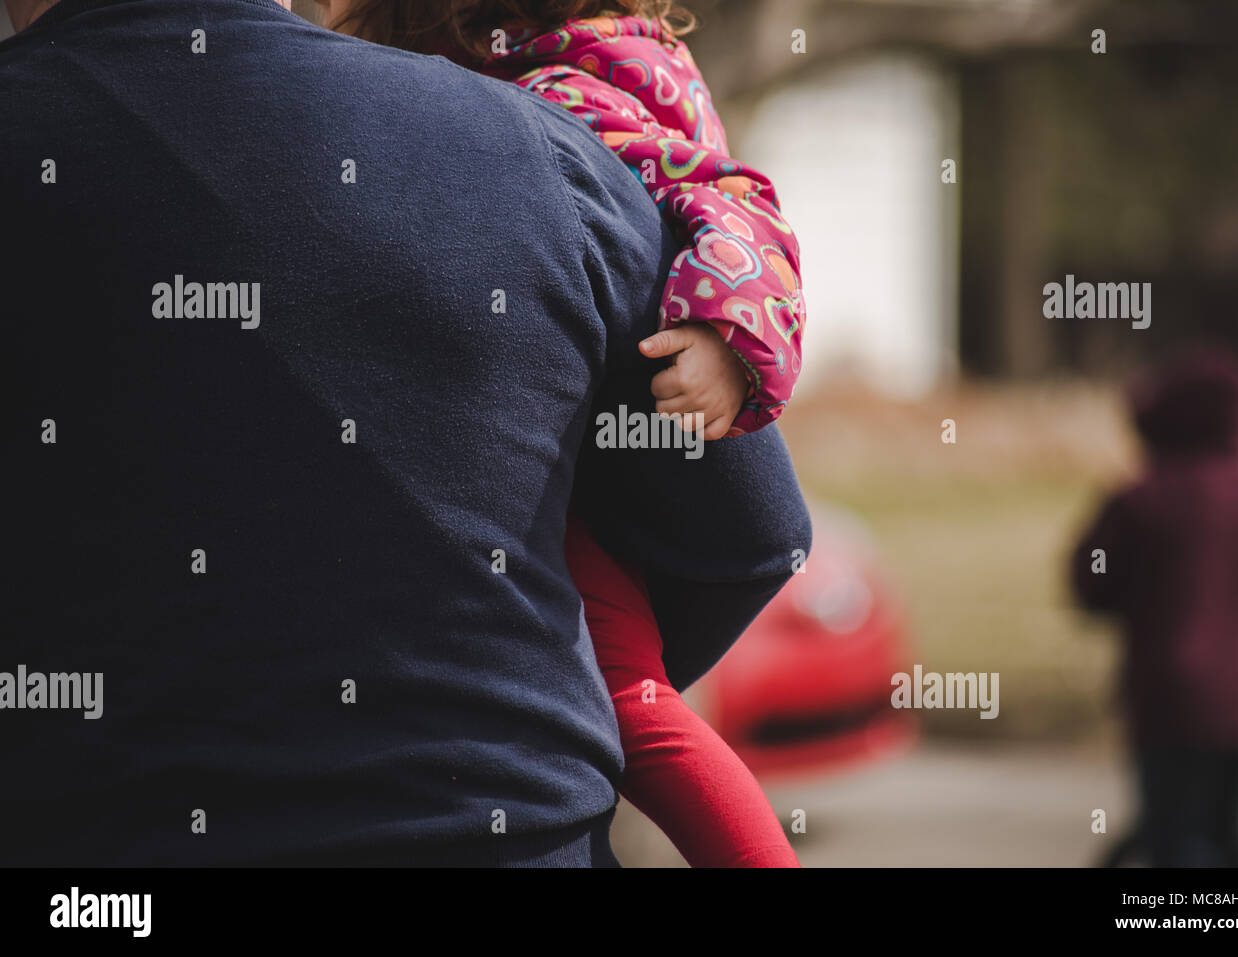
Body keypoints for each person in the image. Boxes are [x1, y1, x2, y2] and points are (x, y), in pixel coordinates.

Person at [0, 0, 811, 866]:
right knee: (645, 709)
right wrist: (539, 680)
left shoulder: (573, 102)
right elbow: (756, 537)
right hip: (500, 834)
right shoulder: (540, 150)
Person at [325, 0, 807, 866]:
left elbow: (732, 196)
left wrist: (725, 334)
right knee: (631, 699)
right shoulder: (583, 64)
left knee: (632, 700)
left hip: (573, 458)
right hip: (564, 448)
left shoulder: (553, 99)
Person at [1071, 349, 1238, 867]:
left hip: (1166, 708)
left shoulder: (1141, 504)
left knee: (1174, 840)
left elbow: (1089, 587)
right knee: (1216, 831)